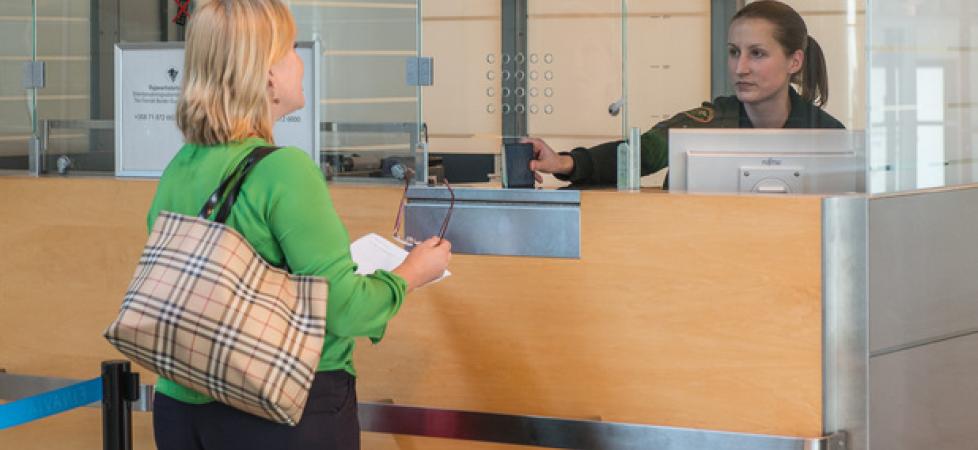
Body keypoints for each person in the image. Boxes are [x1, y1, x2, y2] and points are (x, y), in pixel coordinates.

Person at [148, 1, 451, 449]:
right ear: (266, 74)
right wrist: (412, 272)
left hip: (180, 408)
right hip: (277, 407)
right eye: (289, 49)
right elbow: (346, 309)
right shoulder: (284, 170)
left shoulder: (181, 165)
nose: (300, 61)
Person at [524, 0, 845, 187]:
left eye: (757, 54)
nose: (740, 67)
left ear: (794, 61)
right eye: (734, 52)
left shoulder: (829, 135)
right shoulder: (708, 123)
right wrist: (565, 163)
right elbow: (642, 154)